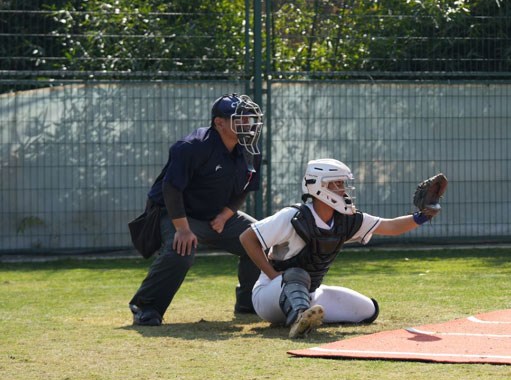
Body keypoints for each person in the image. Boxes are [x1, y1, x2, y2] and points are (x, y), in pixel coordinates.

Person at [239, 158, 441, 338]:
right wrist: (273, 276)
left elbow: (390, 226)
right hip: (270, 294)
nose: (343, 190)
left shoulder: (346, 219)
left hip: (311, 293)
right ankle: (298, 321)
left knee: (368, 310)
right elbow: (247, 237)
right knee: (296, 274)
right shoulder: (292, 216)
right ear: (319, 186)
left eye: (343, 183)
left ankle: (305, 313)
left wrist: (422, 216)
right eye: (337, 184)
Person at [129, 93, 264, 326]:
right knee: (181, 249)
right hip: (174, 212)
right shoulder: (192, 147)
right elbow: (171, 188)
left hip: (217, 215)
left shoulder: (250, 149)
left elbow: (244, 187)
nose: (247, 124)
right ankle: (146, 306)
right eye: (239, 118)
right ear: (219, 123)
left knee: (260, 238)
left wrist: (226, 215)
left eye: (249, 119)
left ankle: (248, 302)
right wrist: (182, 229)